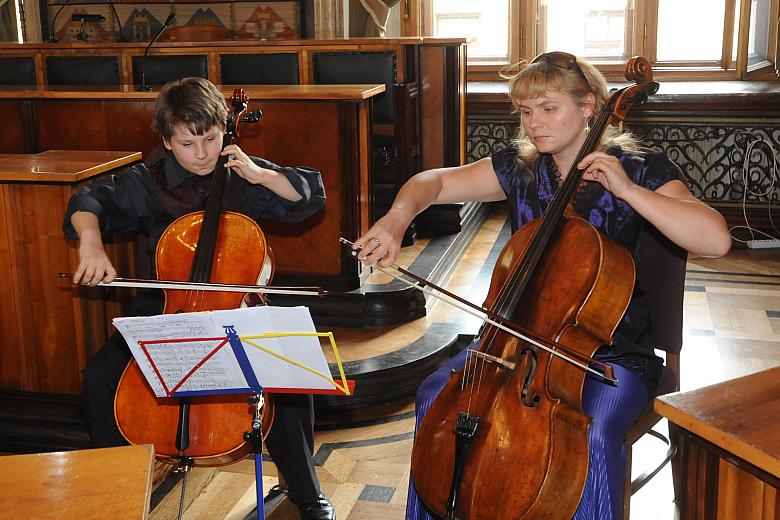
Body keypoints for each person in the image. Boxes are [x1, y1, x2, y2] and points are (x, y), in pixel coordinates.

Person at [353, 52, 732, 519]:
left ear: (589, 106)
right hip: (516, 346)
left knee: (591, 430)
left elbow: (715, 239)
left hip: (607, 353)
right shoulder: (521, 166)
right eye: (526, 112)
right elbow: (430, 182)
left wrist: (630, 193)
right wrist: (395, 219)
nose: (534, 124)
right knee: (436, 398)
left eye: (548, 109)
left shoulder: (639, 167)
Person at [62, 77, 334, 520]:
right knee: (99, 379)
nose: (203, 153)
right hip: (166, 308)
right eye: (188, 144)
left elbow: (309, 196)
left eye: (210, 139)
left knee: (286, 377)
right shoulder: (147, 182)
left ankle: (306, 491)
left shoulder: (244, 172)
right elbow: (87, 200)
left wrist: (262, 175)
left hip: (235, 310)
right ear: (167, 142)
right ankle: (113, 485)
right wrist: (90, 243)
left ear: (226, 129)